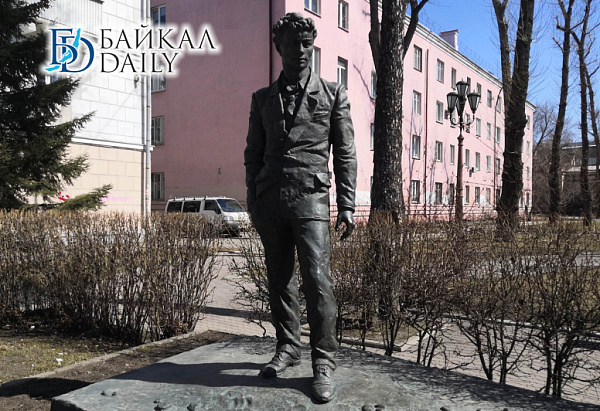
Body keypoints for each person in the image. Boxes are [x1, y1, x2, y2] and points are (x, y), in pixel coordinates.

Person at [243, 12, 357, 403]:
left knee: (318, 280)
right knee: (280, 280)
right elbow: (253, 153)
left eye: (307, 43)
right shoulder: (262, 99)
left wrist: (346, 204)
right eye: (293, 43)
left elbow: (345, 153)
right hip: (271, 200)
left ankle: (323, 360)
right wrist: (253, 198)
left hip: (311, 197)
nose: (302, 50)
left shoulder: (332, 94)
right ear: (280, 47)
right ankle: (288, 347)